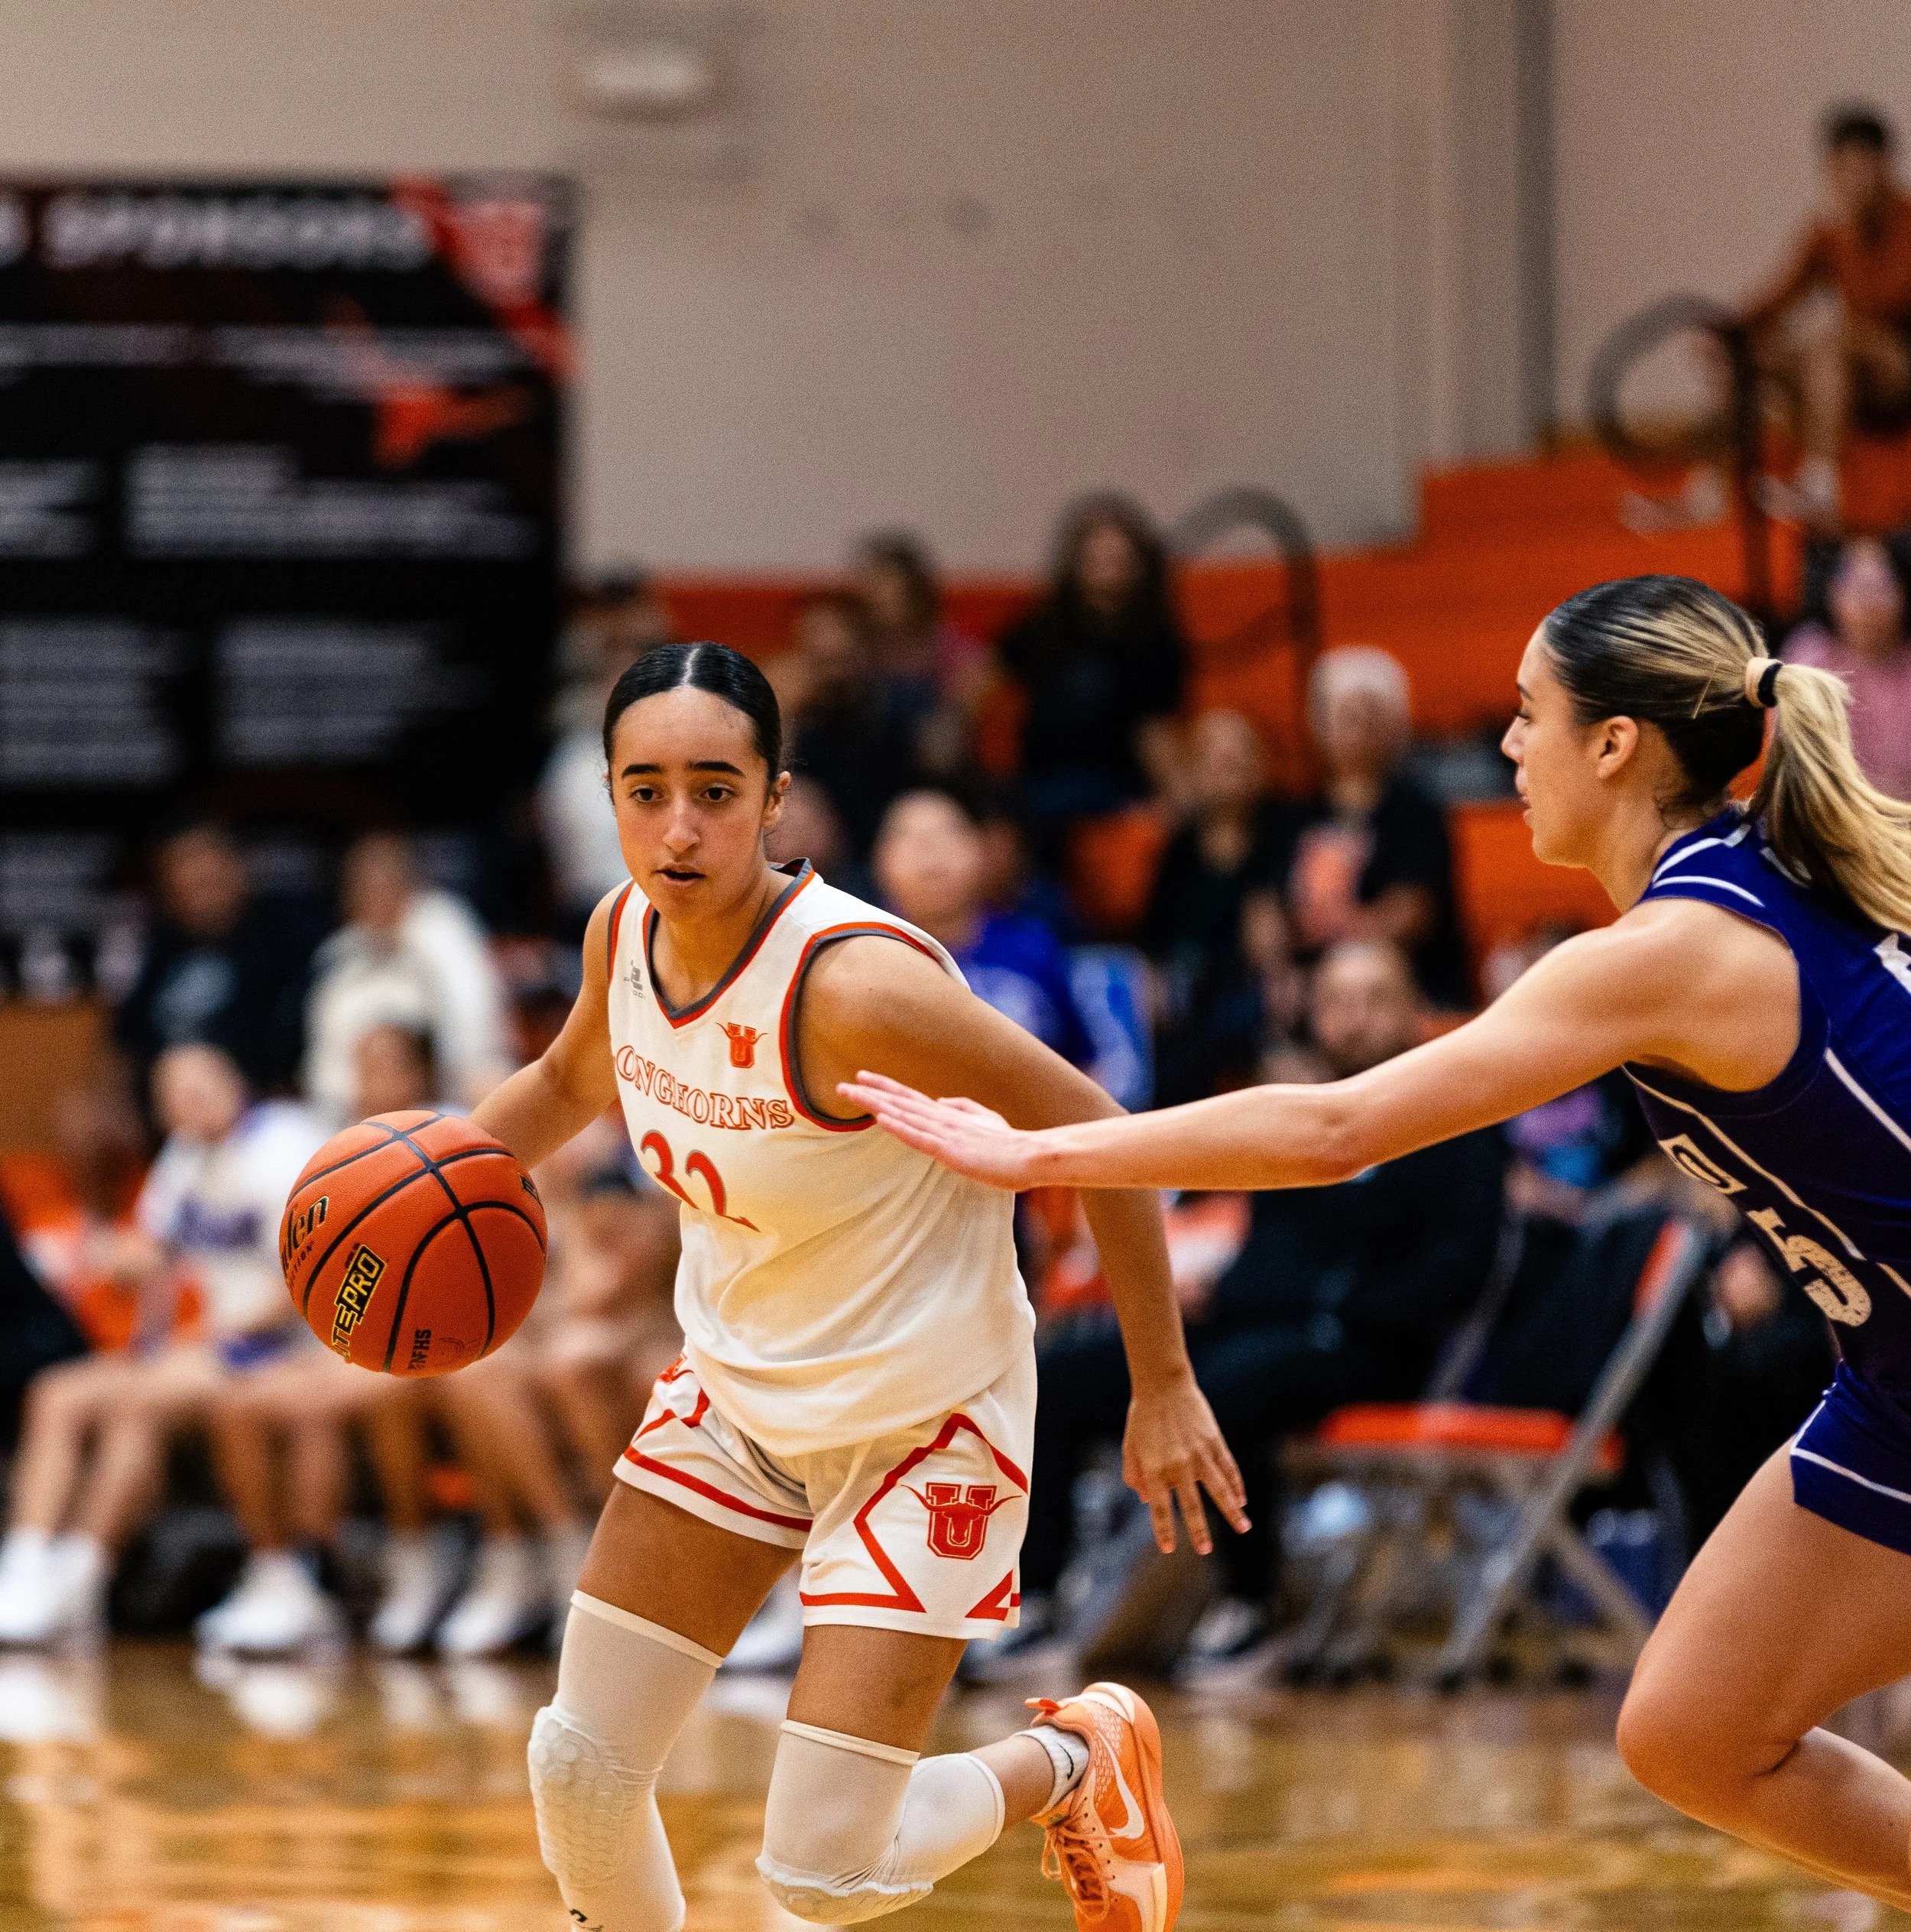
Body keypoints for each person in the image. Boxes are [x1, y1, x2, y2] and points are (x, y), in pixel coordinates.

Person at [850, 573, 1911, 1912]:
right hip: (1886, 1390)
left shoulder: (1678, 941)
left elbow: (1336, 1126)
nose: (1510, 748)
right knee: (1692, 1728)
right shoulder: (1761, 879)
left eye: (1529, 716)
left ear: (1615, 744)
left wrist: (1045, 1149)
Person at [469, 641, 1241, 1931]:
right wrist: (418, 1186)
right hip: (738, 1390)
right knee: (580, 1768)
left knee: (826, 1872)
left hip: (921, 1419)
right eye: (644, 788)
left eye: (715, 789)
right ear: (605, 795)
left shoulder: (857, 985)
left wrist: (1162, 1380)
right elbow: (561, 1083)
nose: (677, 825)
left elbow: (1097, 1129)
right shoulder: (621, 934)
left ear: (776, 798)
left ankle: (1077, 1759)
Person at [1012, 941, 1505, 1672]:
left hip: (1371, 1345)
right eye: (1337, 1001)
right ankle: (1040, 1600)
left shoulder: (1458, 1125)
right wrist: (1220, 1294)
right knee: (1058, 1376)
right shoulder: (1296, 1112)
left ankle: (1253, 1603)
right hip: (1256, 1326)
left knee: (1233, 1387)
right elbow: (1265, 1252)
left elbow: (1460, 1270)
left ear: (1412, 1010)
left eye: (1376, 998)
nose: (1355, 1018)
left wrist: (1336, 1304)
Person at [0, 1043, 323, 1646]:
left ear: (233, 1077)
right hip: (194, 1348)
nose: (191, 1099)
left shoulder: (287, 1143)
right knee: (56, 1392)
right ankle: (28, 1563)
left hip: (278, 1345)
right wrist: (109, 1257)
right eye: (174, 1092)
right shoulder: (184, 1157)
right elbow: (155, 1248)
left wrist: (218, 1332)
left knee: (139, 1403)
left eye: (201, 1082)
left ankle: (82, 1573)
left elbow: (313, 1274)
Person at [1739, 105, 1911, 529]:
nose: (1851, 181)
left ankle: (1819, 484)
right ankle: (1709, 489)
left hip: (1898, 373)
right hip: (1849, 372)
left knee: (1834, 338)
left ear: (1884, 166)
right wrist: (1729, 331)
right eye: (1841, 169)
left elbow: (1893, 301)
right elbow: (1778, 298)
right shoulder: (1829, 234)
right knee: (1748, 351)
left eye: (1862, 168)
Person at [1282, 646, 1469, 1008]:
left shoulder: (1419, 812)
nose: (1358, 726)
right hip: (1312, 988)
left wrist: (1323, 952)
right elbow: (1273, 910)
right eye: (1345, 713)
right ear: (1318, 723)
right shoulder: (1297, 815)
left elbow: (1410, 916)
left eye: (1370, 713)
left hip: (1406, 985)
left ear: (1396, 722)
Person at [995, 495, 1187, 848]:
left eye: (1117, 559)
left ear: (1139, 566)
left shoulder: (1154, 642)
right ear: (1075, 564)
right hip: (1037, 778)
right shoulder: (1044, 626)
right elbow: (983, 672)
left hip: (1113, 785)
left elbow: (1155, 732)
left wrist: (1174, 797)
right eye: (1096, 559)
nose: (1106, 569)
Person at [1140, 710, 1297, 1106]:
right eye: (1216, 758)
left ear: (1261, 765)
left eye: (1240, 756)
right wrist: (1152, 975)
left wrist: (1280, 963)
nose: (1229, 767)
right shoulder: (1181, 845)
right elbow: (1151, 934)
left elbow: (1289, 925)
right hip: (1185, 987)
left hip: (1255, 985)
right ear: (1194, 772)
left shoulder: (1285, 831)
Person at [303, 831, 512, 1126]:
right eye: (364, 888)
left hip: (446, 1099)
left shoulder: (445, 932)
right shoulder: (336, 958)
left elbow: (476, 1037)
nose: (376, 898)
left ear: (409, 888)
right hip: (357, 1117)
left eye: (386, 885)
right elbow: (323, 1071)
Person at [872, 788, 1094, 1067]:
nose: (931, 856)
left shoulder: (1034, 945)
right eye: (912, 840)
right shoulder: (863, 955)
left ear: (978, 851)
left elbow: (1084, 1064)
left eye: (947, 836)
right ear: (882, 861)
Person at [113, 820, 324, 1099]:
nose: (199, 891)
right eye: (188, 884)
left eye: (208, 880)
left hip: (256, 1115)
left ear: (238, 869)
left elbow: (299, 1049)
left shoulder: (287, 939)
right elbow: (123, 1041)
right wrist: (109, 1095)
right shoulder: (164, 946)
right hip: (166, 1121)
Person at [540, 571, 674, 934]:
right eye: (616, 679)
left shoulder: (688, 753)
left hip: (673, 909)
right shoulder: (575, 760)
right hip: (593, 913)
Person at [779, 592, 923, 859]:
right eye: (822, 660)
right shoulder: (794, 711)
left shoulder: (902, 708)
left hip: (888, 851)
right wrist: (785, 717)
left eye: (842, 658)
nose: (834, 672)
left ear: (864, 649)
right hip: (814, 858)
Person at [1784, 534, 1911, 800]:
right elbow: (1795, 770)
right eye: (1854, 586)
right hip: (1835, 821)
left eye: (1881, 587)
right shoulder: (1809, 657)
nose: (1868, 603)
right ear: (1829, 592)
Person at [853, 531, 987, 774]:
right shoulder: (854, 648)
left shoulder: (948, 647)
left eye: (893, 592)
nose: (883, 600)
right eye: (874, 590)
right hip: (864, 770)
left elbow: (950, 737)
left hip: (934, 772)